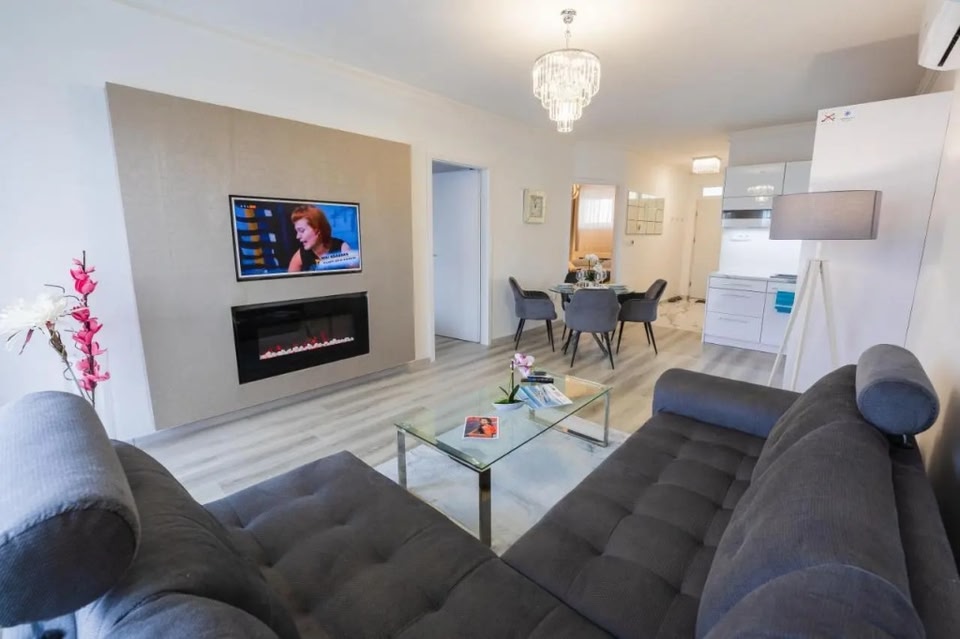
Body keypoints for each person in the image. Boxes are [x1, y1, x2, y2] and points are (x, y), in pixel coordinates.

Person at [287, 205, 351, 272]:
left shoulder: (343, 249)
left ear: (317, 230)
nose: (297, 236)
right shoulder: (299, 256)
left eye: (302, 231)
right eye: (297, 231)